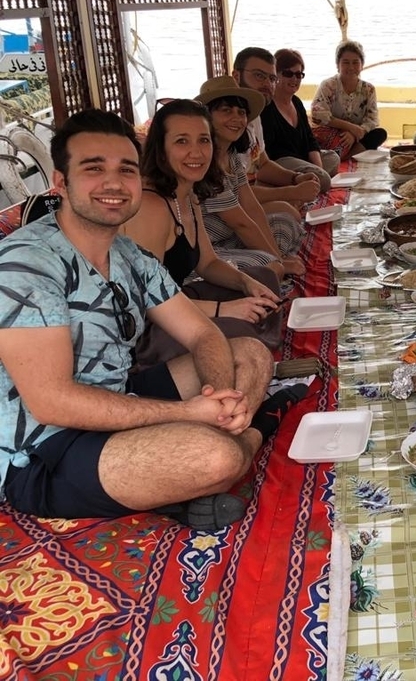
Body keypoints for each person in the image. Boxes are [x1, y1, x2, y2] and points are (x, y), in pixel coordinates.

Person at [0, 109, 302, 531]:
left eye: (126, 169)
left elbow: (200, 333)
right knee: (216, 456)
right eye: (93, 168)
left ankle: (215, 447)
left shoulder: (129, 257)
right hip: (44, 450)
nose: (113, 183)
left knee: (248, 352)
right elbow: (53, 402)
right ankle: (255, 430)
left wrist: (222, 394)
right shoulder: (28, 264)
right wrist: (193, 416)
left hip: (119, 394)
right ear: (60, 182)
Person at [122, 99, 284, 366]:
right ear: (161, 149)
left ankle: (259, 357)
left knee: (264, 277)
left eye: (203, 141)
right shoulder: (151, 207)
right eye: (182, 142)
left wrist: (246, 283)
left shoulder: (187, 195)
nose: (196, 153)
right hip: (148, 331)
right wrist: (223, 310)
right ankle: (252, 362)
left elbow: (207, 263)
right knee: (239, 335)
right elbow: (146, 302)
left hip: (180, 301)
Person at [196, 76, 306, 279]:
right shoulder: (204, 164)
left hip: (232, 239)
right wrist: (277, 260)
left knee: (285, 222)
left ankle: (271, 261)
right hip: (209, 252)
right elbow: (241, 223)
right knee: (269, 267)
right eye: (226, 110)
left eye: (241, 112)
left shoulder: (231, 158)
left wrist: (278, 255)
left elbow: (252, 208)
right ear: (206, 117)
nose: (237, 118)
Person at [231, 46, 335, 200]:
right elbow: (233, 195)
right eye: (259, 75)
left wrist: (296, 178)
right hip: (279, 163)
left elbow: (263, 162)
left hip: (278, 171)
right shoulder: (229, 122)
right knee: (316, 183)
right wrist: (292, 192)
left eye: (271, 78)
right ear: (236, 76)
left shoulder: (255, 115)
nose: (267, 83)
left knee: (332, 158)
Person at [260, 48, 347, 184]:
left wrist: (318, 167)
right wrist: (318, 172)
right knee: (323, 179)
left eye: (299, 75)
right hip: (280, 162)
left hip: (301, 159)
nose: (294, 79)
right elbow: (270, 151)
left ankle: (305, 180)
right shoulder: (267, 106)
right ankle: (294, 182)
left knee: (333, 157)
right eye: (288, 74)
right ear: (276, 74)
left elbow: (310, 140)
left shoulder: (296, 102)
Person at [310, 40, 388, 160]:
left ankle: (343, 156)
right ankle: (342, 154)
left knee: (379, 134)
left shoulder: (368, 89)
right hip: (332, 133)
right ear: (338, 65)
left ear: (362, 65)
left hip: (355, 137)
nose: (351, 67)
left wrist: (354, 134)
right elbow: (319, 114)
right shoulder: (328, 85)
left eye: (355, 62)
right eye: (346, 62)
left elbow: (372, 119)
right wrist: (350, 127)